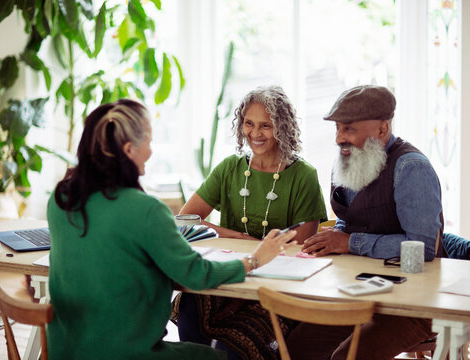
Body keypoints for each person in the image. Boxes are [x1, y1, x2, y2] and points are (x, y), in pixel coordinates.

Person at [46, 99, 296, 360]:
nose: (151, 152)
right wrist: (255, 259)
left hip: (65, 351)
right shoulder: (146, 210)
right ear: (129, 149)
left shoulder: (62, 197)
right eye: (149, 143)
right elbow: (196, 275)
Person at [286, 85, 446, 360]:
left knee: (346, 357)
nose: (338, 138)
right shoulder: (347, 161)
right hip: (359, 292)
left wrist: (349, 243)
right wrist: (331, 241)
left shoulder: (412, 168)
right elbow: (349, 221)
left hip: (412, 305)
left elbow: (422, 247)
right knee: (297, 346)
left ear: (382, 130)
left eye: (348, 129)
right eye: (337, 128)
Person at [176, 86, 328, 359]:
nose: (255, 134)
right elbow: (186, 220)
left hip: (277, 287)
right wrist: (239, 238)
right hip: (233, 276)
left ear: (282, 127)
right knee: (190, 306)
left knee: (236, 346)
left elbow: (304, 245)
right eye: (248, 123)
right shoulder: (229, 167)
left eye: (265, 126)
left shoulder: (303, 175)